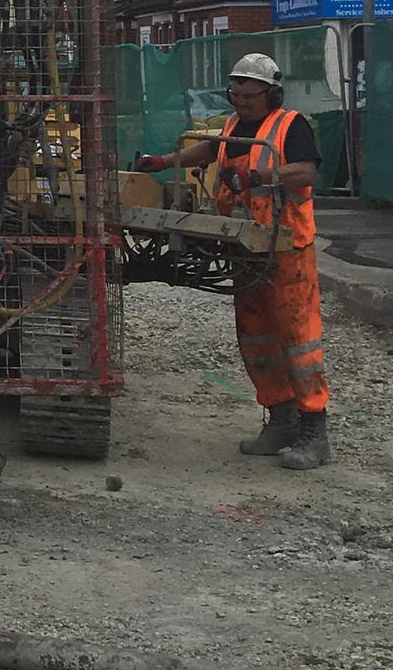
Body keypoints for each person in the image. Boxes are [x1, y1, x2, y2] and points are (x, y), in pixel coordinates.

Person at [135, 52, 330, 470]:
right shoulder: (232, 126)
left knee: (299, 342)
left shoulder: (289, 125)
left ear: (271, 93)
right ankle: (280, 420)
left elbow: (306, 172)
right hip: (245, 246)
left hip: (285, 246)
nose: (241, 102)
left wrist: (259, 177)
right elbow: (210, 150)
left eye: (249, 95)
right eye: (235, 94)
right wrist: (164, 162)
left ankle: (315, 432)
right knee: (256, 338)